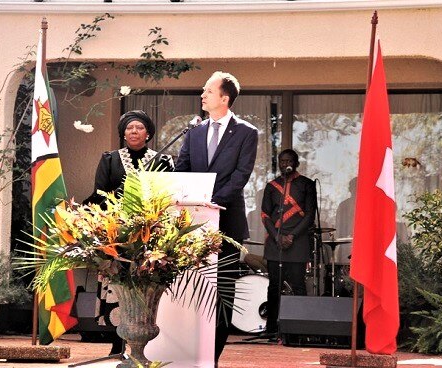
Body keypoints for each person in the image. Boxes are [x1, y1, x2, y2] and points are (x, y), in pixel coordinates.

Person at [174, 71, 258, 364]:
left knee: (222, 294)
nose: (202, 95)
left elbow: (241, 176)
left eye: (208, 91)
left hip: (227, 223)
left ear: (225, 98)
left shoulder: (247, 132)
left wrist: (212, 202)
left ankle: (213, 357)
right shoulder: (194, 132)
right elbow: (182, 167)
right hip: (192, 225)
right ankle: (186, 353)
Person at [84, 110, 174, 354]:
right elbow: (100, 194)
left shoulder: (162, 161)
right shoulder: (110, 159)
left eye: (139, 128)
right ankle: (116, 343)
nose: (134, 132)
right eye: (129, 128)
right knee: (118, 287)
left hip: (149, 235)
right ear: (123, 133)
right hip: (117, 236)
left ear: (148, 134)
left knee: (144, 285)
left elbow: (167, 197)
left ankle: (144, 345)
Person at [261, 149, 316, 336]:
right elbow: (265, 215)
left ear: (296, 163)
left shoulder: (307, 184)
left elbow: (310, 214)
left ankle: (301, 328)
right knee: (274, 286)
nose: (285, 164)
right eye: (282, 161)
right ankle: (271, 328)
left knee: (299, 286)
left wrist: (291, 236)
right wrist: (277, 237)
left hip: (297, 242)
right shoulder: (272, 186)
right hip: (275, 243)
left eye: (289, 161)